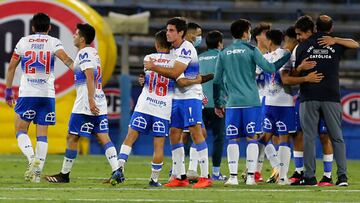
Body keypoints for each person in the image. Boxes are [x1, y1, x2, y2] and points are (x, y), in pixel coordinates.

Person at [213, 19, 290, 185]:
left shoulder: (224, 52)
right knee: (252, 138)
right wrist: (286, 57)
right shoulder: (251, 50)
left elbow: (217, 81)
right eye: (248, 31)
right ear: (244, 33)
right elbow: (270, 68)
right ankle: (250, 178)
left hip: (232, 103)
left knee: (232, 139)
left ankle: (232, 177)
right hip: (252, 101)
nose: (249, 34)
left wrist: (218, 103)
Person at [45, 23, 120, 184]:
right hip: (98, 100)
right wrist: (62, 56)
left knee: (72, 137)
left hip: (86, 102)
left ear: (82, 38)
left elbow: (89, 76)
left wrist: (90, 100)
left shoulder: (85, 53)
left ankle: (64, 174)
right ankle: (117, 171)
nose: (73, 35)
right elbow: (77, 68)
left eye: (76, 33)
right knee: (104, 137)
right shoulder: (91, 52)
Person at [5, 13, 73, 182]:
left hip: (28, 93)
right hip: (47, 94)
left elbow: (11, 67)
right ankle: (36, 175)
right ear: (49, 28)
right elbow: (66, 60)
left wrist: (8, 91)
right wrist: (82, 72)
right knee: (42, 134)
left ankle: (31, 159)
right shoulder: (54, 42)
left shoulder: (23, 42)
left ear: (33, 27)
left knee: (21, 130)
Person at [145, 17, 212, 188]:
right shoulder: (172, 50)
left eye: (171, 30)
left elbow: (175, 72)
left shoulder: (186, 48)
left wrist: (153, 67)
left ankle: (205, 176)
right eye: (167, 30)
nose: (168, 33)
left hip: (191, 96)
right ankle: (180, 176)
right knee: (174, 133)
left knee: (196, 131)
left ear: (181, 33)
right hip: (176, 97)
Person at [295, 15, 359, 186]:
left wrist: (301, 69)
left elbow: (295, 72)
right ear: (331, 28)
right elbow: (356, 44)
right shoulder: (336, 43)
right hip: (331, 96)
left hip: (308, 96)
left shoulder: (303, 45)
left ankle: (309, 177)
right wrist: (335, 39)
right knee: (337, 138)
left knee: (309, 137)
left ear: (316, 27)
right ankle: (342, 177)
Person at [116, 30, 181, 187]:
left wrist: (143, 79)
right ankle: (154, 179)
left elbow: (147, 77)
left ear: (156, 44)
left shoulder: (148, 58)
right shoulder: (177, 61)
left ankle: (119, 168)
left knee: (129, 138)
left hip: (144, 105)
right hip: (163, 109)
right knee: (158, 145)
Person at [198, 30, 227, 181]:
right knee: (218, 138)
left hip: (200, 103)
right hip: (217, 104)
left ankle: (187, 169)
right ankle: (215, 173)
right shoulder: (223, 57)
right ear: (220, 43)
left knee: (195, 137)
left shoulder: (198, 57)